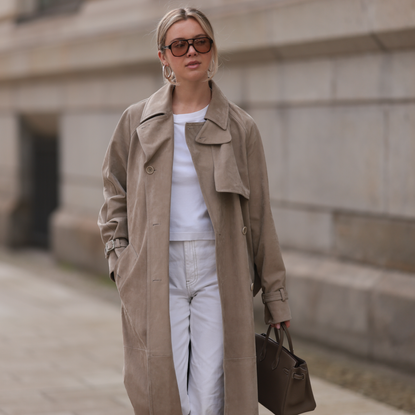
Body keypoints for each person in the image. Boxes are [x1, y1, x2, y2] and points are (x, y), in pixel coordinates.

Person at [98, 7, 291, 415]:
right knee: (163, 388)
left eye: (200, 41)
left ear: (212, 49)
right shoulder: (136, 121)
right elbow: (114, 192)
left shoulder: (240, 127)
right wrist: (119, 257)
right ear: (163, 56)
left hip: (218, 269)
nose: (191, 51)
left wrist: (276, 297)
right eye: (179, 44)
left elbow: (259, 217)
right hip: (154, 267)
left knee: (211, 393)